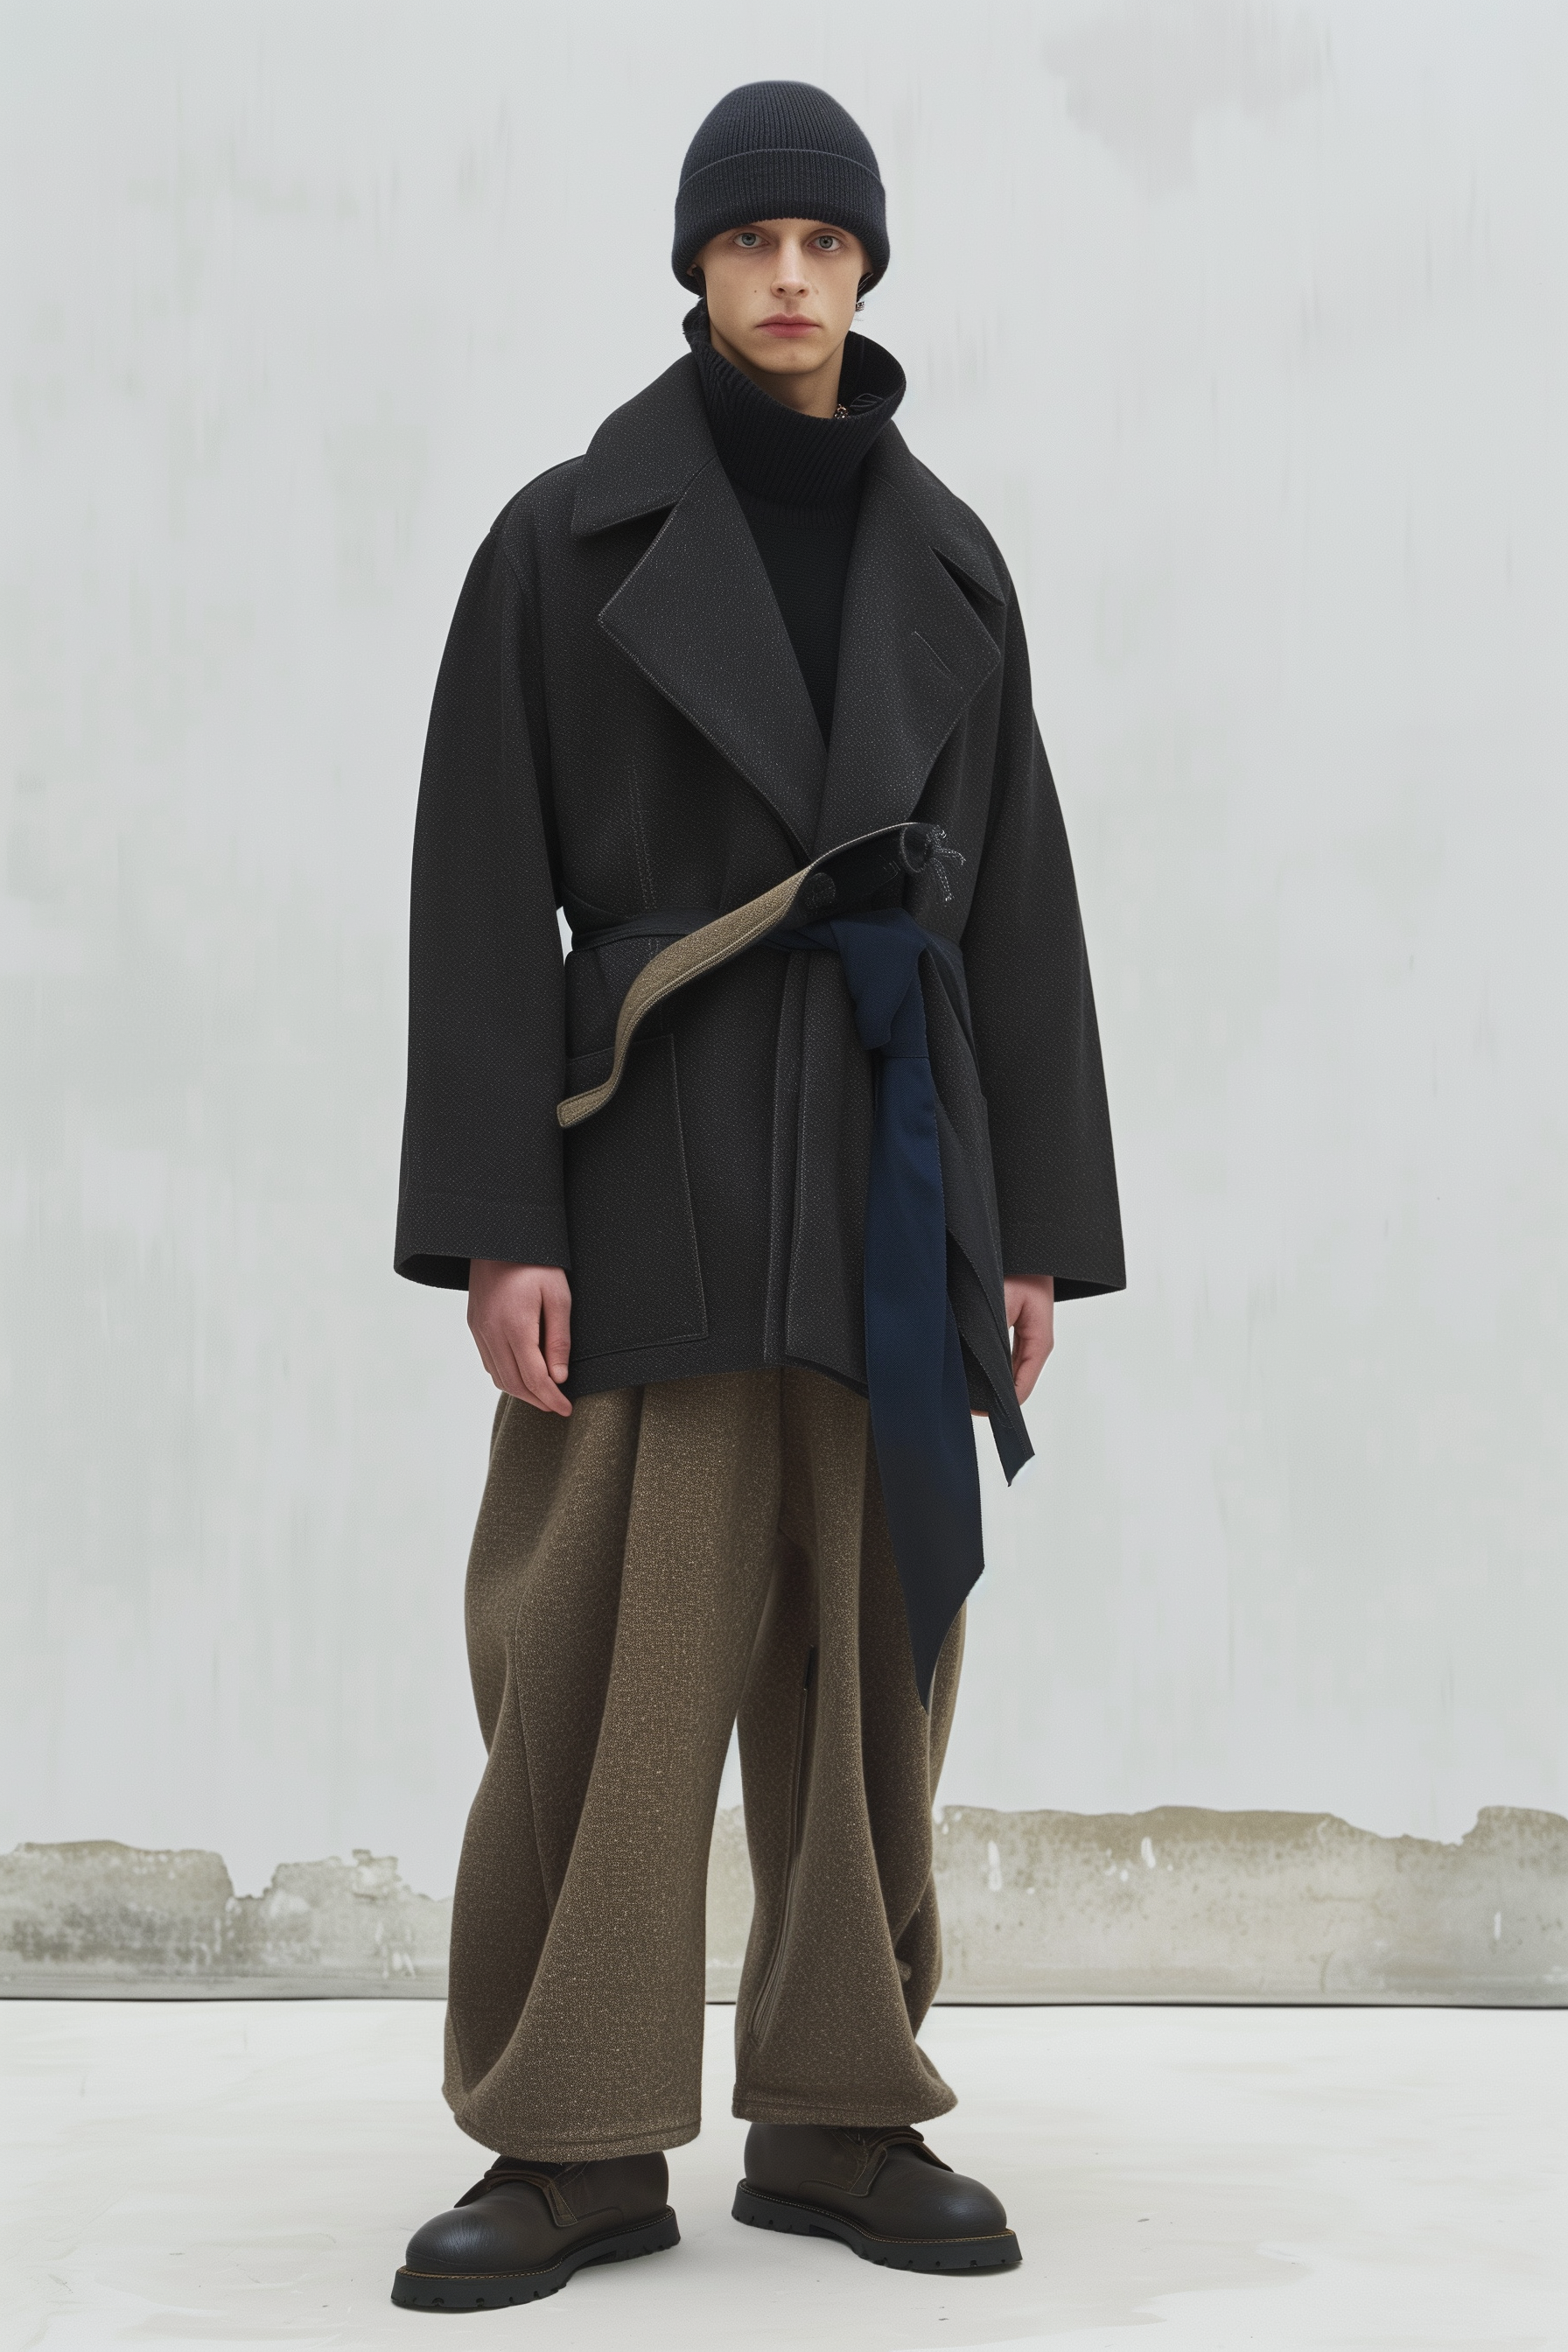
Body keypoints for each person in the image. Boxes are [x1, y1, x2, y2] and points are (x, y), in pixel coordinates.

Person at [389, 80, 1124, 2313]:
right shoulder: (561, 542)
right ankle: (570, 2136)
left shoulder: (952, 564)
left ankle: (838, 2109)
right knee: (603, 1668)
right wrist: (504, 1220)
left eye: (821, 242)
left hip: (892, 1168)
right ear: (695, 269)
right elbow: (477, 896)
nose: (786, 278)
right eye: (748, 243)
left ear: (865, 268)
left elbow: (1021, 912)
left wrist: (1027, 1228)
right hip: (655, 1168)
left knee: (873, 1665)